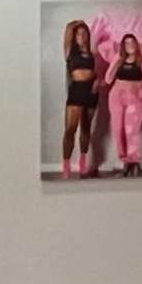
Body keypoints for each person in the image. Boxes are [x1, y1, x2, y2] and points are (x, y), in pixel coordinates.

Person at [58, 16, 105, 176]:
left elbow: (93, 73)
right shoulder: (69, 51)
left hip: (91, 92)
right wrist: (81, 23)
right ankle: (66, 165)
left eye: (84, 34)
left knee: (86, 128)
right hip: (76, 90)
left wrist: (97, 80)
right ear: (74, 36)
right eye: (79, 34)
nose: (82, 37)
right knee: (70, 129)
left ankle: (83, 163)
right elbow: (68, 28)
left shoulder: (91, 53)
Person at [103, 27, 142, 174]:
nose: (129, 45)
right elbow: (108, 78)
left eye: (132, 42)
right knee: (117, 129)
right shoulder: (119, 58)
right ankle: (125, 161)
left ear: (137, 44)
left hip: (135, 96)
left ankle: (134, 160)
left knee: (131, 129)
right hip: (116, 95)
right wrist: (117, 58)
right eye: (126, 43)